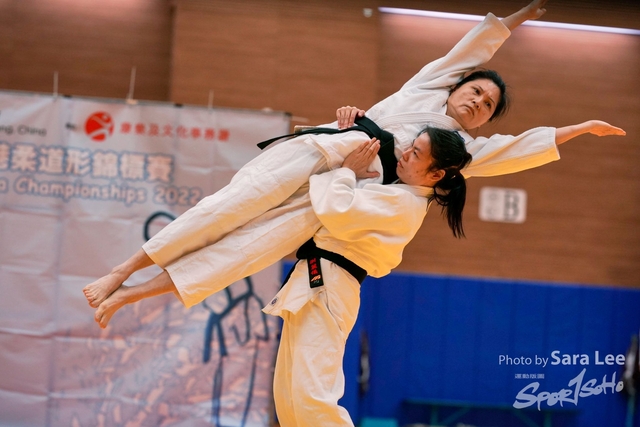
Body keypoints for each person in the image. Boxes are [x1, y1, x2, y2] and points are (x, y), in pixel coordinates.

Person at [83, 0, 625, 312]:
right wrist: (519, 17)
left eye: (487, 106)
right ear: (459, 85)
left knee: (243, 253)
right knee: (226, 209)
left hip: (341, 189)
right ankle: (120, 271)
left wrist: (578, 129)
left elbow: (519, 149)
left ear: (485, 120)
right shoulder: (429, 86)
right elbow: (472, 48)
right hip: (326, 148)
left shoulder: (463, 150)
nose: (477, 102)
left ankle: (127, 296)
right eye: (476, 91)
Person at [94, 126, 472, 427]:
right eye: (410, 146)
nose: (405, 153)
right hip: (316, 278)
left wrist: (345, 170)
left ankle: (127, 285)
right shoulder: (399, 191)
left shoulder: (406, 204)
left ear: (436, 174)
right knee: (290, 400)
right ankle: (127, 284)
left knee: (312, 398)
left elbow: (337, 209)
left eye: (416, 154)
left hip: (331, 285)